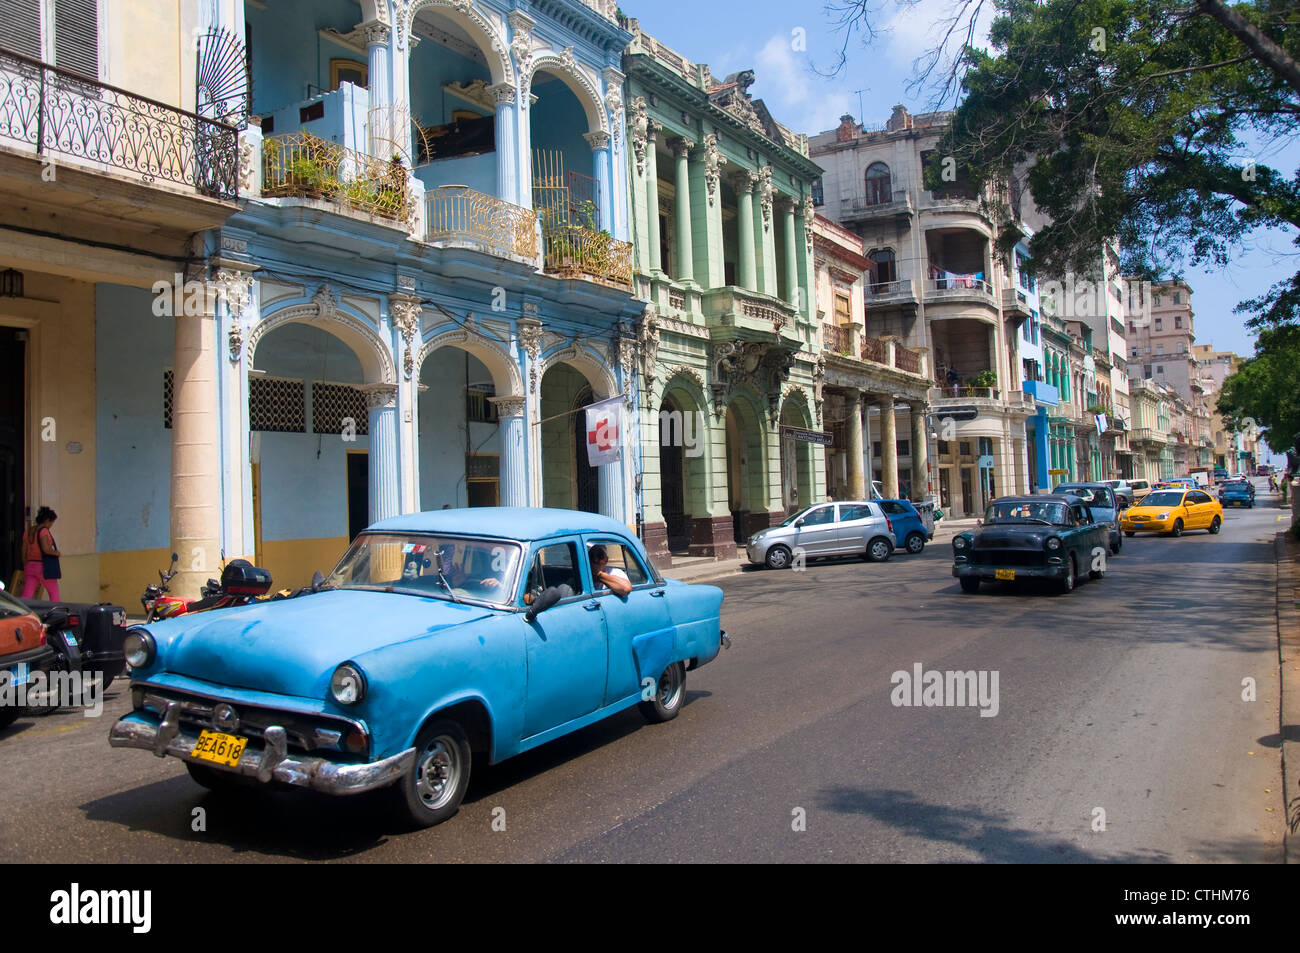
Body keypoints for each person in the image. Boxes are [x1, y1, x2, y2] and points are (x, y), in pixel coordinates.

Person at [21, 506, 60, 602]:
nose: (51, 525)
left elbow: (24, 550)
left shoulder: (28, 531)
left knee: (27, 595)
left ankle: (22, 614)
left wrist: (25, 564)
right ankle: (57, 614)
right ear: (47, 520)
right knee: (54, 593)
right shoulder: (43, 531)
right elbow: (46, 549)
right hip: (43, 566)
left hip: (30, 566)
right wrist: (56, 553)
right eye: (51, 522)